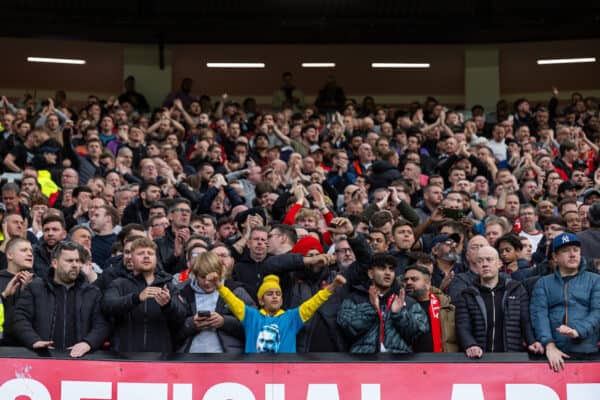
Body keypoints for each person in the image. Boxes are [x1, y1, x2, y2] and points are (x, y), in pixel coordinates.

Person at [205, 270, 347, 353]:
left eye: (278, 294)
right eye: (270, 293)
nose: (274, 296)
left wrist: (333, 287)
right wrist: (218, 285)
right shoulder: (251, 316)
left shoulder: (291, 318)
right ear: (261, 300)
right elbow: (232, 300)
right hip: (255, 373)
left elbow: (314, 302)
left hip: (285, 374)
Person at [13, 241, 109, 357]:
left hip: (81, 360)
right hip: (42, 358)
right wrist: (34, 341)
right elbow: (20, 318)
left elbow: (102, 324)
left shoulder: (92, 293)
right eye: (69, 261)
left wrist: (87, 343)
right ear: (55, 263)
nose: (75, 265)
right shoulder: (35, 288)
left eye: (77, 261)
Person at [455, 246, 543, 358]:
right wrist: (470, 344)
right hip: (479, 358)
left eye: (489, 259)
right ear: (476, 266)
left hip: (512, 357)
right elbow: (463, 325)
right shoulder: (467, 294)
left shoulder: (516, 289)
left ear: (499, 263)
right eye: (480, 261)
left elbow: (525, 320)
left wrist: (532, 341)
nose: (484, 264)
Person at [530, 232, 600, 372]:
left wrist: (577, 330)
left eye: (576, 250)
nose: (573, 254)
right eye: (566, 251)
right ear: (555, 257)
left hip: (588, 351)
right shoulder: (543, 283)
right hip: (555, 354)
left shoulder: (595, 280)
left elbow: (597, 312)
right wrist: (549, 345)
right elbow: (539, 316)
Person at [102, 237, 186, 352]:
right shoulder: (119, 284)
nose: (146, 256)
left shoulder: (168, 285)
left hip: (160, 357)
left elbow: (181, 317)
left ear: (156, 259)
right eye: (141, 253)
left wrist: (167, 305)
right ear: (131, 258)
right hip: (124, 356)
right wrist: (136, 298)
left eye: (150, 253)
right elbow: (107, 306)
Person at [337, 254, 429, 353]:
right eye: (382, 268)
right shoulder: (354, 299)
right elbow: (348, 329)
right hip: (364, 362)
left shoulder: (406, 301)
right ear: (371, 274)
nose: (388, 273)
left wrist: (399, 314)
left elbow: (418, 334)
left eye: (391, 269)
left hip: (398, 363)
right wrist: (371, 308)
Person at [176, 252, 255, 353]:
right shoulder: (183, 292)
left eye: (211, 277)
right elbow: (171, 332)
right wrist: (192, 324)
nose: (207, 282)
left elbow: (254, 325)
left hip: (228, 359)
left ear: (220, 272)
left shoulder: (235, 291)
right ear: (195, 275)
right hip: (190, 358)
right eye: (202, 277)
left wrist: (224, 322)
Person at [404, 265, 458, 352]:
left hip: (443, 361)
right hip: (409, 363)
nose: (408, 282)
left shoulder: (446, 306)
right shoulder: (400, 307)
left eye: (414, 279)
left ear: (427, 283)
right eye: (406, 280)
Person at [0, 238, 34, 344]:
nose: (30, 254)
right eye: (24, 250)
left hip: (31, 347)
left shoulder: (40, 283)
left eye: (31, 251)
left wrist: (28, 291)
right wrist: (4, 296)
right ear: (10, 255)